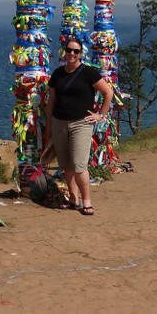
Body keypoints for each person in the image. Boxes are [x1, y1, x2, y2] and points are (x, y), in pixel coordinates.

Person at [45, 36, 113, 216]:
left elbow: (108, 93)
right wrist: (48, 125)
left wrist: (101, 115)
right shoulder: (58, 74)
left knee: (79, 165)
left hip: (81, 124)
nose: (72, 54)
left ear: (81, 53)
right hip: (59, 122)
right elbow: (52, 101)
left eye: (76, 51)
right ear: (64, 52)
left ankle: (87, 201)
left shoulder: (88, 72)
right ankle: (73, 198)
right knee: (66, 165)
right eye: (69, 50)